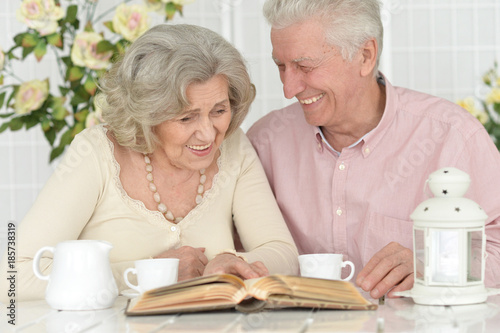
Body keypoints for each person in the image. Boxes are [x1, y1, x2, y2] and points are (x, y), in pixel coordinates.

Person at [0, 24, 298, 302]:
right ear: (146, 116)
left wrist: (231, 264)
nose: (208, 133)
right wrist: (152, 275)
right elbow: (13, 275)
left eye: (219, 110)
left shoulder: (234, 147)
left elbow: (283, 253)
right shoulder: (96, 153)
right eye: (187, 117)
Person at [247, 0, 500, 299]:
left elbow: (495, 246)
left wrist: (432, 266)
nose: (289, 88)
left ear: (365, 56)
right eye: (281, 66)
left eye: (305, 66)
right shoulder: (264, 142)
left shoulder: (453, 137)